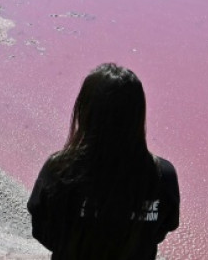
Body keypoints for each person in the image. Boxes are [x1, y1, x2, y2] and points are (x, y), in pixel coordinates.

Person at [27, 63, 180, 259]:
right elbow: (163, 228)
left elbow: (42, 231)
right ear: (138, 114)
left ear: (85, 111)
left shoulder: (59, 170)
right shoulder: (162, 175)